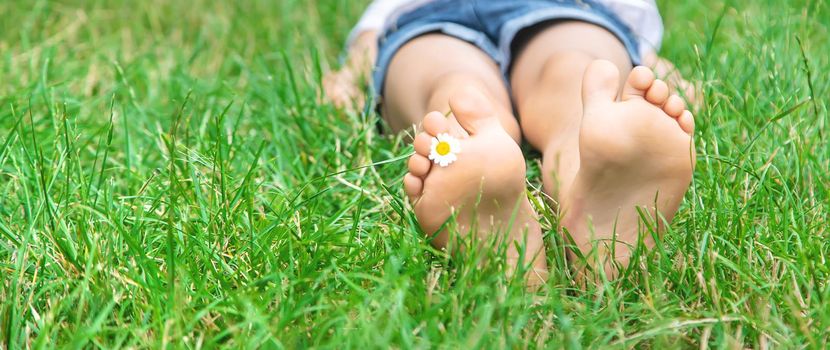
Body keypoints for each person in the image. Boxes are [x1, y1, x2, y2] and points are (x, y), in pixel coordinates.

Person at [324, 0, 698, 287]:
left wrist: (358, 61)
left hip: (450, 21)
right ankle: (563, 164)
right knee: (567, 76)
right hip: (484, 16)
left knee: (458, 87)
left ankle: (554, 181)